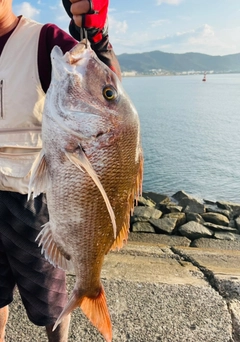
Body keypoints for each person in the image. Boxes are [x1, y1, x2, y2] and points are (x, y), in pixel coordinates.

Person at [0, 1, 121, 341]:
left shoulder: (44, 40)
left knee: (51, 307)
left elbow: (107, 91)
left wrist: (97, 37)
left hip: (33, 199)